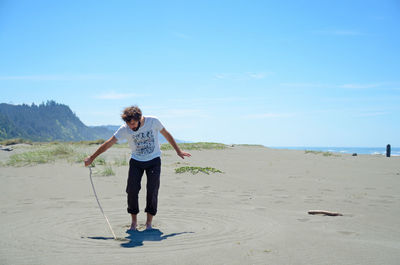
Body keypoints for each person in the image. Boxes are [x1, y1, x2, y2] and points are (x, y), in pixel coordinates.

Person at [84, 105, 191, 230]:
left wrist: (178, 151)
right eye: (129, 124)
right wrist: (92, 157)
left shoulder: (153, 121)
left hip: (154, 160)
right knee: (132, 190)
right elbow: (109, 143)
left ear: (139, 118)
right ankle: (134, 222)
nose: (132, 127)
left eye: (134, 124)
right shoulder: (124, 129)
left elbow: (167, 135)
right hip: (136, 161)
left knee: (152, 191)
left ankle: (149, 223)